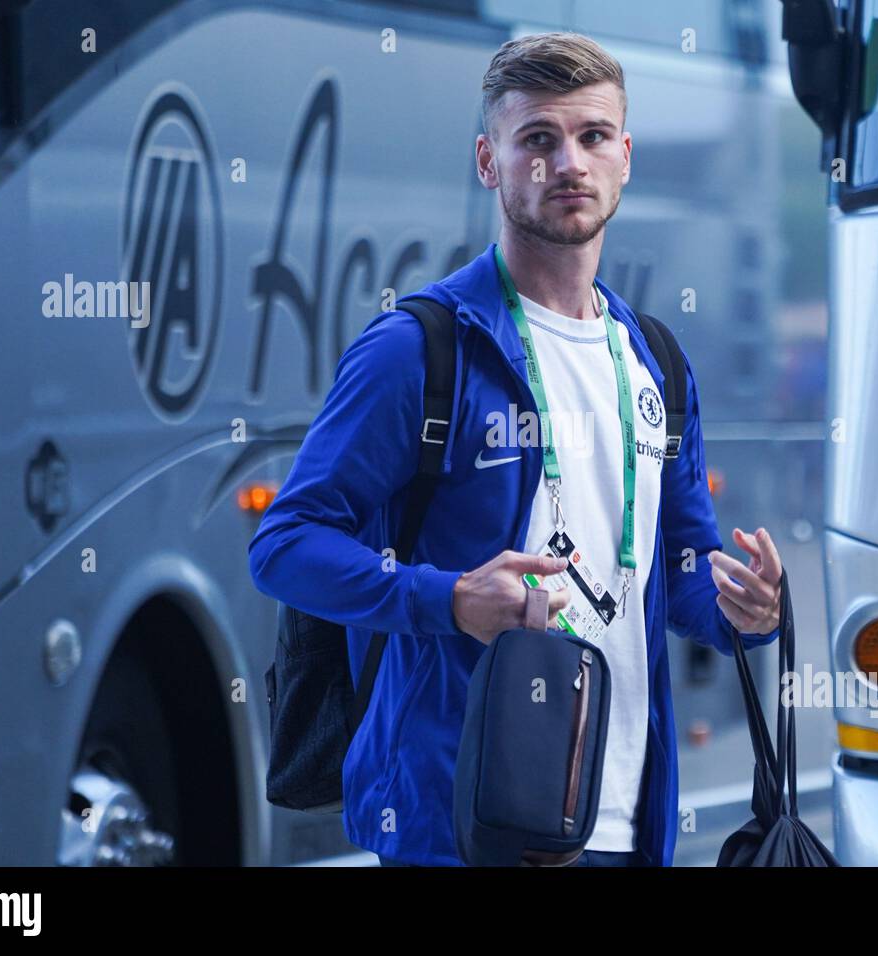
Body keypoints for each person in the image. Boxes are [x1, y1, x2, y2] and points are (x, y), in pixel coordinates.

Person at [248, 31, 783, 868]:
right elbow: (284, 546)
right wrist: (448, 598)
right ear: (489, 162)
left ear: (626, 157)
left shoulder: (657, 361)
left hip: (623, 826)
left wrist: (742, 611)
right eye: (537, 138)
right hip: (461, 826)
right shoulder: (416, 349)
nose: (568, 161)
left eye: (593, 136)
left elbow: (678, 568)